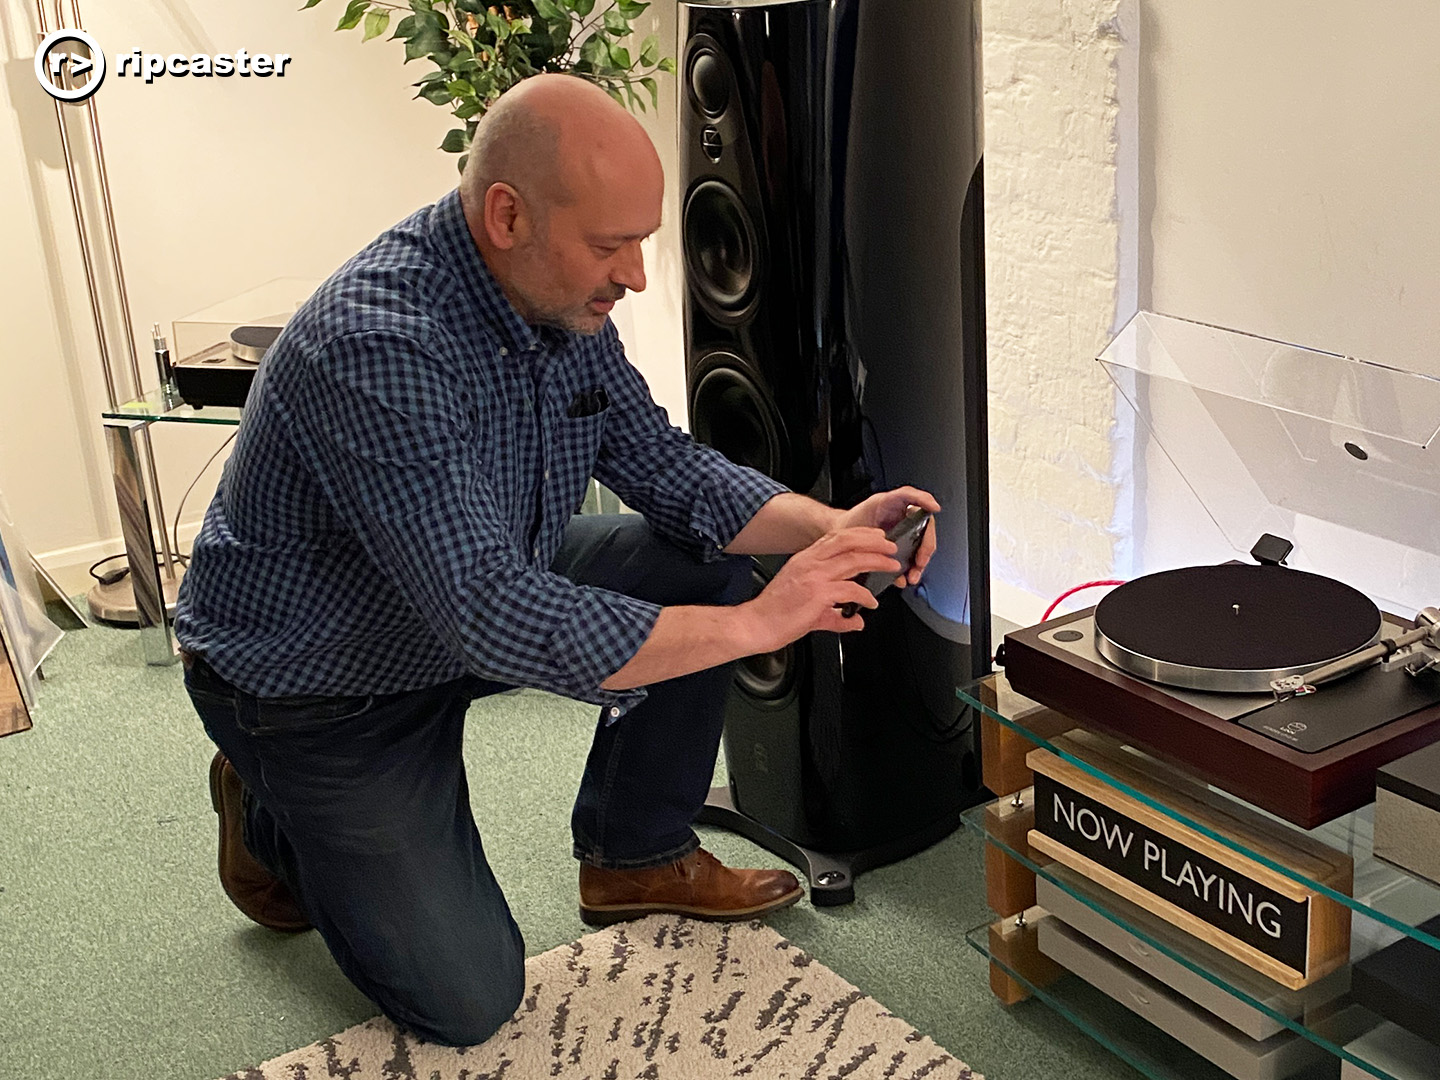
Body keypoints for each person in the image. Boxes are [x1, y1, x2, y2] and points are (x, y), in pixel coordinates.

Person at [173, 73, 938, 1047]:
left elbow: (668, 471)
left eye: (643, 243)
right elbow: (494, 614)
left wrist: (829, 528)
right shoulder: (376, 346)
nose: (638, 277)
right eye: (613, 245)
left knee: (695, 562)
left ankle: (635, 853)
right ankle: (267, 799)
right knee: (468, 1002)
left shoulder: (561, 303)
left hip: (475, 581)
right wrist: (759, 624)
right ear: (507, 213)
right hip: (320, 682)